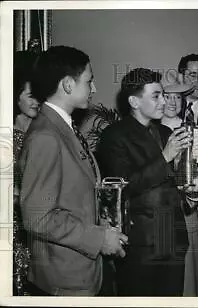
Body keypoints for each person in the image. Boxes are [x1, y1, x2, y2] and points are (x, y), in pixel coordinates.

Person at [19, 46, 128, 296]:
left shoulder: (63, 127)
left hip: (79, 273)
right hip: (63, 279)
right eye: (89, 80)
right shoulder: (46, 135)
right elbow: (38, 217)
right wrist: (99, 239)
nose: (94, 88)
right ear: (68, 84)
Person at [97, 68, 198, 296]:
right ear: (134, 102)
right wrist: (165, 157)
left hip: (174, 242)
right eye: (156, 96)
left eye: (163, 95)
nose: (164, 102)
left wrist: (193, 191)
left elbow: (178, 183)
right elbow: (123, 187)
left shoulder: (166, 133)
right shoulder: (114, 136)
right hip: (141, 246)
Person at [13, 50, 41, 295]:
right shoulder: (6, 135)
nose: (36, 102)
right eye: (30, 96)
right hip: (13, 226)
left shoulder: (43, 131)